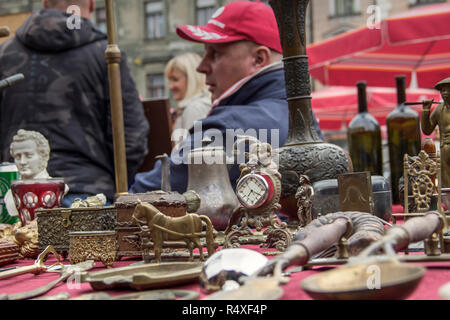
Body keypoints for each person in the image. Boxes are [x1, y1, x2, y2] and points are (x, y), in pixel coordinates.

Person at [130, 1, 321, 194]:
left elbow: (144, 192)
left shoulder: (226, 127)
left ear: (258, 59)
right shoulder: (306, 121)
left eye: (214, 54)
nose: (201, 67)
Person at [0, 0, 149, 205]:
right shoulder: (105, 54)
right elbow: (131, 138)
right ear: (90, 4)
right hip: (87, 196)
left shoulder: (4, 53)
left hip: (17, 198)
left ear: (45, 3)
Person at [165, 52, 211, 141]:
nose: (170, 86)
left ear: (192, 78)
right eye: (170, 81)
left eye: (175, 79)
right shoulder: (193, 107)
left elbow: (192, 151)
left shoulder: (195, 108)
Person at [421, 77, 450, 188]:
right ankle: (448, 203)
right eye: (443, 90)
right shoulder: (439, 109)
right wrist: (425, 110)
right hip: (445, 148)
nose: (445, 93)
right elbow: (427, 130)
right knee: (446, 179)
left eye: (448, 90)